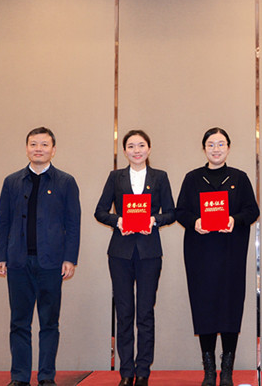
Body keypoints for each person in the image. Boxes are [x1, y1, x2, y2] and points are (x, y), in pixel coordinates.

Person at [0, 127, 81, 386]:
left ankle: (46, 377)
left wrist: (70, 258)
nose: (38, 149)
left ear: (53, 149)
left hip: (51, 263)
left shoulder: (65, 182)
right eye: (33, 144)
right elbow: (2, 221)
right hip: (18, 261)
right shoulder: (12, 181)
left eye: (44, 144)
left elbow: (73, 223)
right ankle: (19, 377)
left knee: (49, 323)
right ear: (26, 148)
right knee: (19, 322)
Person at [176, 128, 259, 386]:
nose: (216, 149)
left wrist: (235, 219)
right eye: (211, 144)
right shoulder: (192, 178)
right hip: (200, 255)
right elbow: (180, 211)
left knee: (230, 307)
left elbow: (252, 211)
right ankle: (209, 370)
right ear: (204, 149)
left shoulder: (239, 178)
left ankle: (228, 370)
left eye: (221, 144)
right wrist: (195, 222)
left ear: (228, 148)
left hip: (231, 254)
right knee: (205, 307)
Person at [95, 130, 176, 386]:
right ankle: (126, 372)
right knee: (124, 313)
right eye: (131, 146)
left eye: (141, 145)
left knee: (145, 313)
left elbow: (171, 212)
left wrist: (154, 220)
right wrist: (118, 221)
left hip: (149, 252)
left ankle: (143, 372)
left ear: (149, 149)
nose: (136, 150)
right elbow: (100, 211)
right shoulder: (115, 177)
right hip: (120, 253)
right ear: (124, 151)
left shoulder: (160, 177)